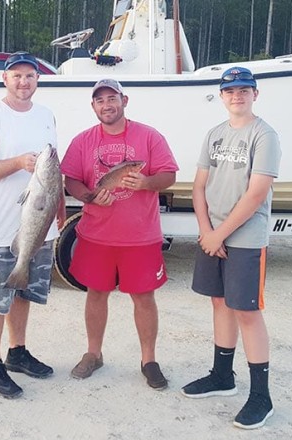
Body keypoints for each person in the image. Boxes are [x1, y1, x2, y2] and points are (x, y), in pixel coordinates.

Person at [180, 66, 281, 430]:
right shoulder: (215, 135)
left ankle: (261, 396)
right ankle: (222, 376)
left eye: (244, 90)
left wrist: (219, 234)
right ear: (221, 96)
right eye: (230, 91)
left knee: (246, 311)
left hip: (245, 237)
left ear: (256, 94)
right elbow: (199, 186)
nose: (237, 96)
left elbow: (256, 194)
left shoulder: (264, 135)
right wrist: (207, 231)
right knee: (219, 302)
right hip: (214, 234)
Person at [60, 79, 178, 389]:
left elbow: (168, 174)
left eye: (112, 98)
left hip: (140, 235)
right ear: (93, 106)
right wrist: (89, 196)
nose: (107, 105)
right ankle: (93, 353)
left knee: (143, 297)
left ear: (124, 100)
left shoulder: (149, 136)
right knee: (96, 293)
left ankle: (149, 360)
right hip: (95, 234)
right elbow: (71, 180)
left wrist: (146, 183)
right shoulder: (83, 141)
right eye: (100, 100)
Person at [0, 51, 65, 399]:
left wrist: (60, 206)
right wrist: (17, 163)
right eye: (17, 75)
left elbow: (55, 169)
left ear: (38, 80)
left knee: (21, 287)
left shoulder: (46, 116)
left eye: (30, 76)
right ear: (5, 79)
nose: (24, 82)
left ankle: (17, 351)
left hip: (39, 223)